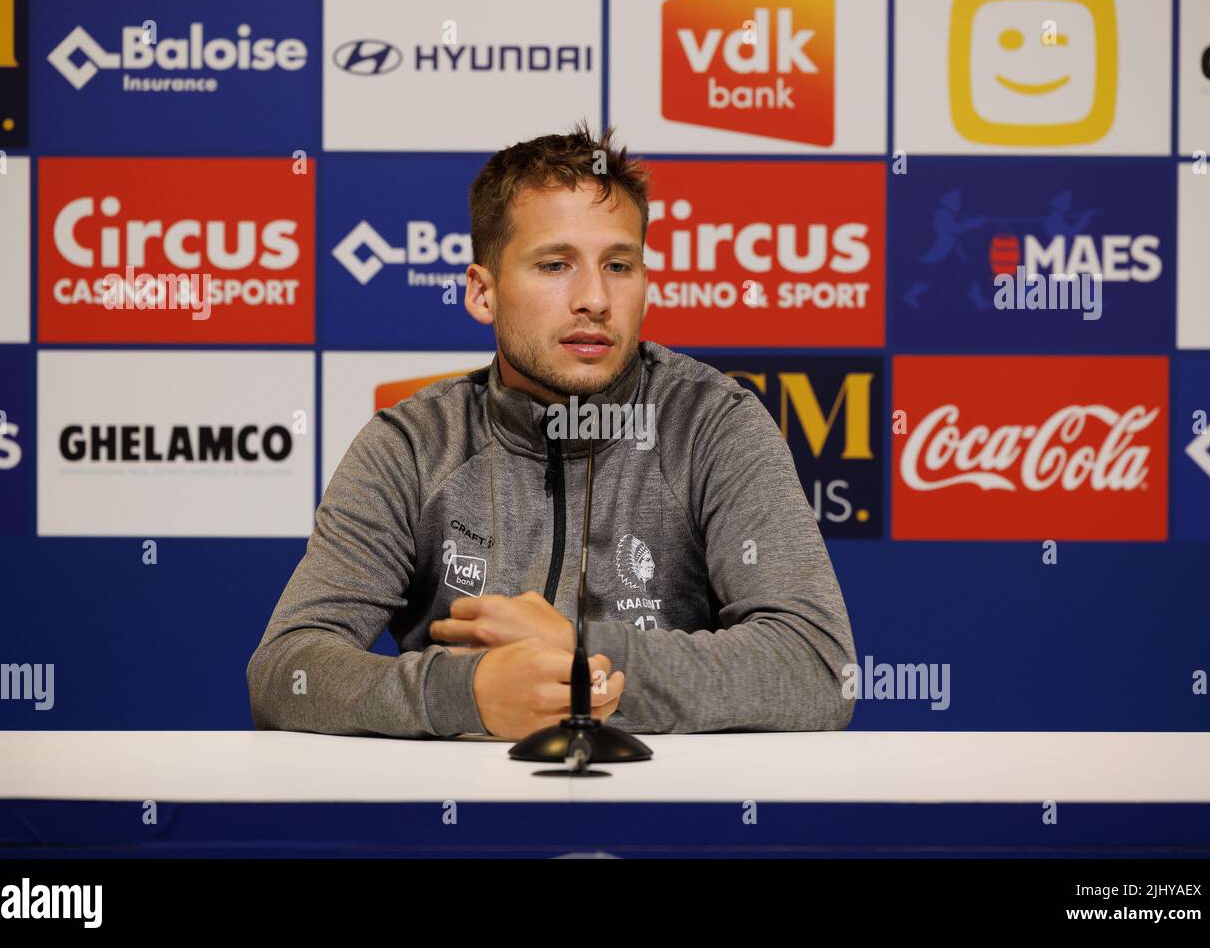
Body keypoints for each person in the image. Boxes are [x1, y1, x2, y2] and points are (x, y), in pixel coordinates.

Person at [246, 122, 856, 740]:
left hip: (667, 824)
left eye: (619, 265)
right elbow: (284, 670)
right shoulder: (412, 446)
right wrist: (466, 694)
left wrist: (582, 654)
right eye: (555, 264)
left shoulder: (710, 424)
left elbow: (819, 668)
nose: (594, 297)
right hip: (464, 827)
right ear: (483, 294)